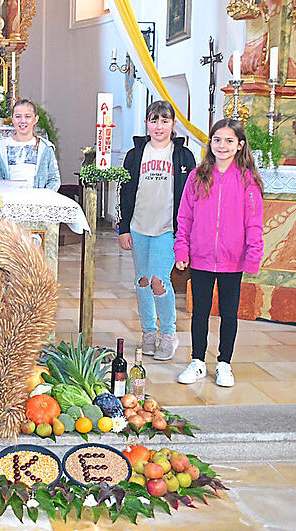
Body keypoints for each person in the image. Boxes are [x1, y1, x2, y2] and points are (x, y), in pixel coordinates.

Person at [174, 118, 264, 388]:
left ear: (240, 145)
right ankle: (198, 361)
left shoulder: (248, 181)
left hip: (232, 259)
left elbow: (254, 222)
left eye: (228, 140)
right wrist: (182, 247)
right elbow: (185, 216)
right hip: (200, 257)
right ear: (210, 143)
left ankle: (224, 363)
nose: (222, 145)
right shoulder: (196, 176)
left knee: (228, 313)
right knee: (199, 312)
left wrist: (252, 255)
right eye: (217, 139)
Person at [118, 100, 197, 361]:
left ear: (173, 124)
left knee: (158, 281)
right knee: (142, 282)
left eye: (165, 120)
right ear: (147, 123)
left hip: (168, 229)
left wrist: (186, 233)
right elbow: (126, 193)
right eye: (154, 120)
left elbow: (190, 197)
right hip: (139, 226)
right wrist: (124, 227)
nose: (159, 126)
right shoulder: (135, 155)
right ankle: (148, 333)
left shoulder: (183, 156)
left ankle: (169, 334)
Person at [0, 99, 60, 190]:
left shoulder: (46, 147)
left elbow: (54, 180)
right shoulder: (1, 146)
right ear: (12, 119)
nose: (22, 121)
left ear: (35, 119)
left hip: (38, 201)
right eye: (18, 116)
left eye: (28, 116)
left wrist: (43, 198)